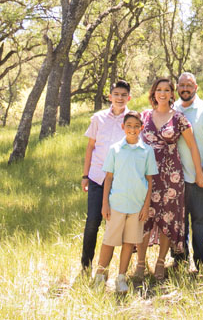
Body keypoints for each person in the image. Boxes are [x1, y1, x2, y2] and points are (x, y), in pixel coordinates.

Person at [134, 77, 203, 281]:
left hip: (171, 176)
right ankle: (140, 263)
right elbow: (132, 141)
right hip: (147, 176)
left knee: (168, 219)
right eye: (159, 89)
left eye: (167, 90)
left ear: (171, 94)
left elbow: (193, 146)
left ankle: (160, 262)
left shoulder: (179, 118)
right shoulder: (144, 116)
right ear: (154, 92)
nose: (163, 93)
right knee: (144, 218)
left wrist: (200, 172)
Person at [93, 110, 157, 293]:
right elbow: (109, 177)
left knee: (129, 242)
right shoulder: (115, 149)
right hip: (117, 204)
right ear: (123, 127)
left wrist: (146, 206)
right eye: (129, 125)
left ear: (142, 128)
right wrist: (105, 203)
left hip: (136, 206)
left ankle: (121, 277)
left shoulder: (146, 151)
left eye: (137, 126)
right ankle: (100, 275)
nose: (132, 129)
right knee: (109, 241)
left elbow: (150, 180)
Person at [171, 71, 203, 271]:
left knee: (200, 220)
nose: (185, 89)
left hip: (199, 177)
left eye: (189, 85)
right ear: (177, 88)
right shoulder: (172, 109)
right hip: (175, 179)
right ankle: (180, 261)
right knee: (178, 222)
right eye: (181, 85)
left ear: (196, 87)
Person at [80, 80, 131, 272]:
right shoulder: (98, 118)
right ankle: (86, 265)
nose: (119, 98)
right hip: (96, 177)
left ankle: (111, 267)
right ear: (110, 97)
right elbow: (90, 147)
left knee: (118, 223)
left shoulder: (132, 120)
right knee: (93, 221)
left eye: (123, 95)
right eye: (116, 94)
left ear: (129, 98)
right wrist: (85, 175)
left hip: (119, 180)